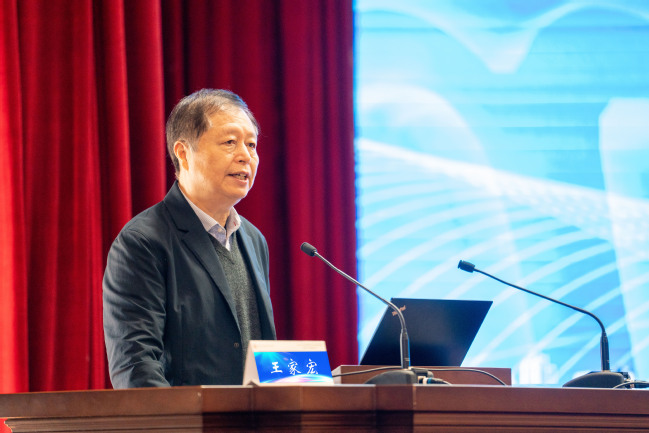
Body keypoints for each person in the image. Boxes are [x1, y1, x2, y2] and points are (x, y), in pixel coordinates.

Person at [103, 89, 276, 388]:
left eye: (251, 144)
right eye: (230, 142)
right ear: (183, 153)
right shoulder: (142, 242)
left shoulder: (253, 239)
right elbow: (135, 367)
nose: (245, 156)